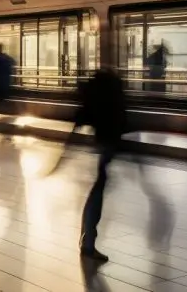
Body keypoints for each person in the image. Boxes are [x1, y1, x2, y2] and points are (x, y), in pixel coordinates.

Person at [74, 68, 128, 263]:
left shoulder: (103, 81)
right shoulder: (111, 82)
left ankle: (87, 240)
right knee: (97, 191)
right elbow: (118, 115)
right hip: (108, 141)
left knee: (97, 188)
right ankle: (88, 242)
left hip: (103, 140)